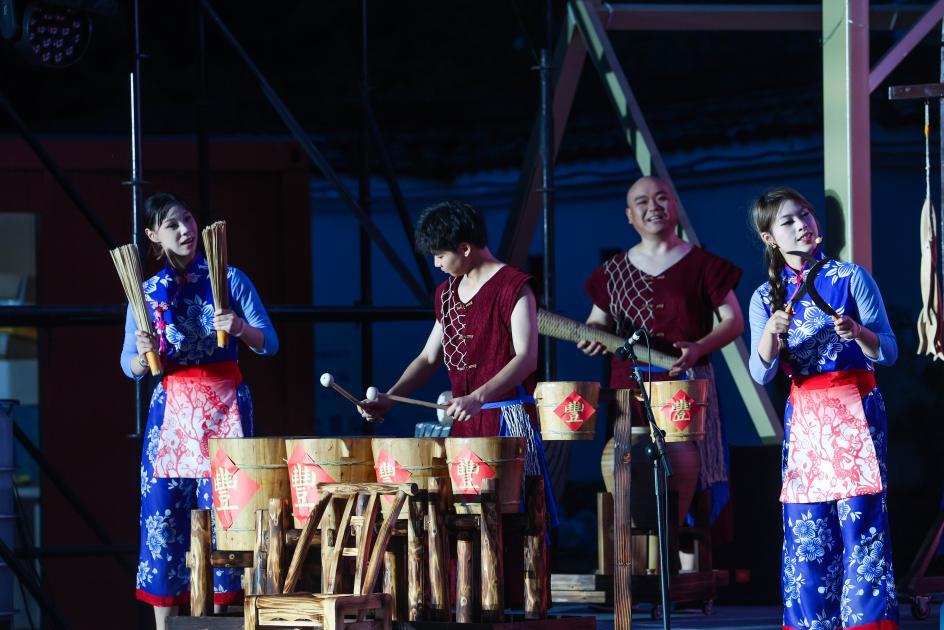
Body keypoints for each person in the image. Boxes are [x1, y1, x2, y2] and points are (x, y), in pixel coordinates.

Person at [121, 193, 278, 629]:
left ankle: (223, 620)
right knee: (163, 516)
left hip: (224, 406)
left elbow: (270, 343)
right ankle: (164, 625)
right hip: (172, 410)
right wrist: (143, 356)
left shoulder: (228, 279)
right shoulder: (145, 294)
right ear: (153, 236)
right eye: (172, 225)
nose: (185, 230)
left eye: (188, 220)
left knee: (228, 515)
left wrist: (240, 328)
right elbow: (128, 366)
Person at [748, 187, 898, 629]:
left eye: (806, 214)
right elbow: (761, 373)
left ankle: (867, 624)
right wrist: (770, 333)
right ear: (769, 237)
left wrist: (858, 333)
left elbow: (889, 351)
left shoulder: (851, 278)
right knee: (807, 530)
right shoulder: (764, 297)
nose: (803, 225)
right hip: (807, 418)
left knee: (861, 525)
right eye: (789, 221)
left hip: (855, 409)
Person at [358, 200, 557, 524]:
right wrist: (390, 398)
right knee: (464, 523)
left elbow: (527, 357)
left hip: (506, 423)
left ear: (465, 248)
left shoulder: (515, 286)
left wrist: (478, 397)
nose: (436, 263)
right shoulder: (446, 293)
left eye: (440, 255)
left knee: (510, 523)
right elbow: (428, 358)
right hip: (465, 424)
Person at [579, 175, 743, 532]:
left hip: (685, 388)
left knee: (693, 484)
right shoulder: (613, 271)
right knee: (632, 478)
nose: (653, 207)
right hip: (630, 390)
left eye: (661, 198)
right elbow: (597, 322)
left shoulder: (703, 264)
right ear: (629, 215)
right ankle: (639, 557)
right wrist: (592, 336)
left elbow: (733, 321)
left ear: (675, 207)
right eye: (642, 201)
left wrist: (700, 347)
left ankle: (689, 556)